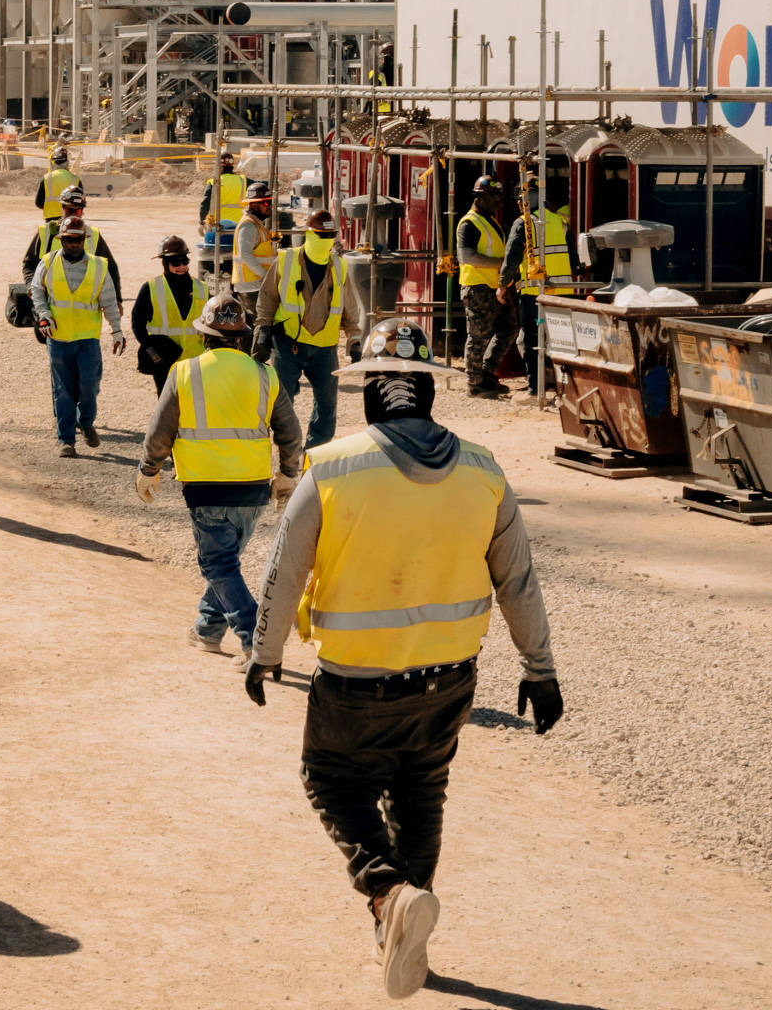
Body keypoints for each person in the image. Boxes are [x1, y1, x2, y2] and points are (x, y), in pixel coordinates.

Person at [246, 317, 563, 1001]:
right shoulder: (484, 471)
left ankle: (390, 895)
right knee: (422, 793)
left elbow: (284, 570)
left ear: (368, 393)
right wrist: (540, 671)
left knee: (331, 782)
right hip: (450, 680)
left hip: (356, 683)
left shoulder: (330, 467)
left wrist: (264, 653)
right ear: (427, 391)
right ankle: (402, 927)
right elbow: (519, 581)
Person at [134, 293, 304, 655]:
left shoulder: (184, 373)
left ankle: (255, 639)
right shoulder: (265, 375)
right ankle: (207, 630)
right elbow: (290, 432)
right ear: (241, 336)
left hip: (206, 487)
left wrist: (149, 469)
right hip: (254, 488)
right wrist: (289, 475)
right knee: (226, 563)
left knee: (218, 565)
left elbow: (160, 430)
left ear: (203, 336)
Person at [254, 209, 365, 449]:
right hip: (288, 345)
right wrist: (263, 329)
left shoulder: (339, 266)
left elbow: (349, 309)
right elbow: (268, 296)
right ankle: (288, 451)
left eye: (331, 235)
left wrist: (354, 340)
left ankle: (315, 454)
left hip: (324, 348)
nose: (326, 240)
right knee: (283, 403)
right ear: (308, 233)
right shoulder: (286, 260)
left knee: (327, 406)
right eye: (320, 234)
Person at [30, 217, 127, 457]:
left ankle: (86, 422)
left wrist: (116, 330)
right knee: (63, 390)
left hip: (87, 339)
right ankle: (66, 440)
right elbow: (36, 290)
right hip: (58, 338)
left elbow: (109, 302)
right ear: (62, 240)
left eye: (78, 240)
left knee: (89, 385)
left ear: (85, 240)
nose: (74, 244)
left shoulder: (98, 267)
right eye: (69, 240)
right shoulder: (48, 263)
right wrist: (43, 314)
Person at [498, 175, 576, 399]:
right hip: (562, 294)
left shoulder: (523, 223)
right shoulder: (560, 222)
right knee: (561, 341)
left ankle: (535, 388)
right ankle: (565, 390)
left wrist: (503, 285)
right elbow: (573, 259)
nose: (520, 201)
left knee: (532, 340)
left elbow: (511, 258)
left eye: (522, 196)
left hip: (534, 295)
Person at [454, 175, 511, 400]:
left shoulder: (490, 220)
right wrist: (502, 264)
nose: (497, 202)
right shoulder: (469, 223)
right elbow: (466, 256)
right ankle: (474, 383)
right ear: (480, 198)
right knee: (478, 336)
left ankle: (487, 372)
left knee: (509, 328)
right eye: (493, 198)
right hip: (477, 287)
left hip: (495, 287)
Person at [132, 233, 205, 395]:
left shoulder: (202, 288)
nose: (181, 266)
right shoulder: (150, 288)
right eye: (175, 262)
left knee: (195, 405)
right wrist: (151, 351)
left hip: (196, 359)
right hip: (165, 362)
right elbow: (137, 324)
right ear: (165, 263)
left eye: (184, 261)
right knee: (168, 407)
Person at [199, 148, 249, 276]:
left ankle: (213, 280)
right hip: (237, 227)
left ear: (218, 166)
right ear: (233, 165)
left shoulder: (213, 182)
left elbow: (205, 203)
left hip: (216, 228)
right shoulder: (242, 180)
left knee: (212, 258)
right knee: (234, 258)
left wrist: (201, 222)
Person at [233, 179, 280, 314]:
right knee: (257, 326)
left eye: (270, 202)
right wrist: (265, 276)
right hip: (251, 287)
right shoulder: (248, 225)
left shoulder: (256, 224)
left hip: (257, 285)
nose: (270, 206)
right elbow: (245, 254)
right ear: (253, 205)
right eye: (266, 203)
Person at [35, 144, 80, 239]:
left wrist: (50, 207)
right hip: (71, 222)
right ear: (67, 162)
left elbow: (38, 203)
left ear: (53, 162)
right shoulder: (75, 179)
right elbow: (80, 202)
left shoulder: (46, 179)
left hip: (50, 222)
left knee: (50, 249)